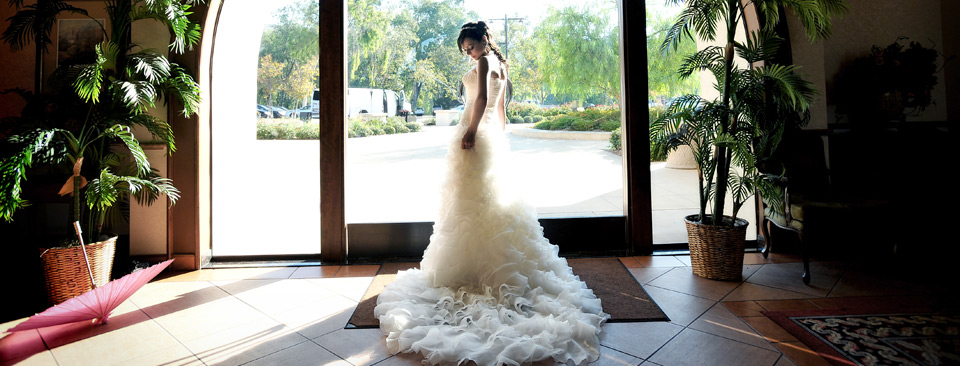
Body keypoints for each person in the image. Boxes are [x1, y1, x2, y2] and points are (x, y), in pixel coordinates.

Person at [374, 21, 608, 366]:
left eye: (470, 46)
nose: (469, 54)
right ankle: (483, 265)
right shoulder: (500, 62)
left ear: (484, 40)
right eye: (466, 50)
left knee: (472, 203)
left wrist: (471, 132)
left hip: (476, 132)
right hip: (489, 136)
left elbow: (483, 98)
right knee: (482, 203)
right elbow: (500, 109)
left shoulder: (486, 61)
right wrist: (499, 135)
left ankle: (473, 271)